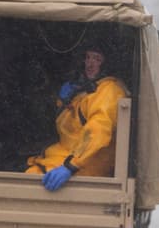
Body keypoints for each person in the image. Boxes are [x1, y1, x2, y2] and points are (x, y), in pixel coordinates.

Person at [26, 45, 128, 191]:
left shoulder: (109, 90)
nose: (90, 64)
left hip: (88, 163)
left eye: (97, 59)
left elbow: (97, 133)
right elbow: (68, 128)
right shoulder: (88, 89)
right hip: (66, 156)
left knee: (30, 180)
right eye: (87, 57)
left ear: (107, 64)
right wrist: (62, 102)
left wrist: (70, 166)